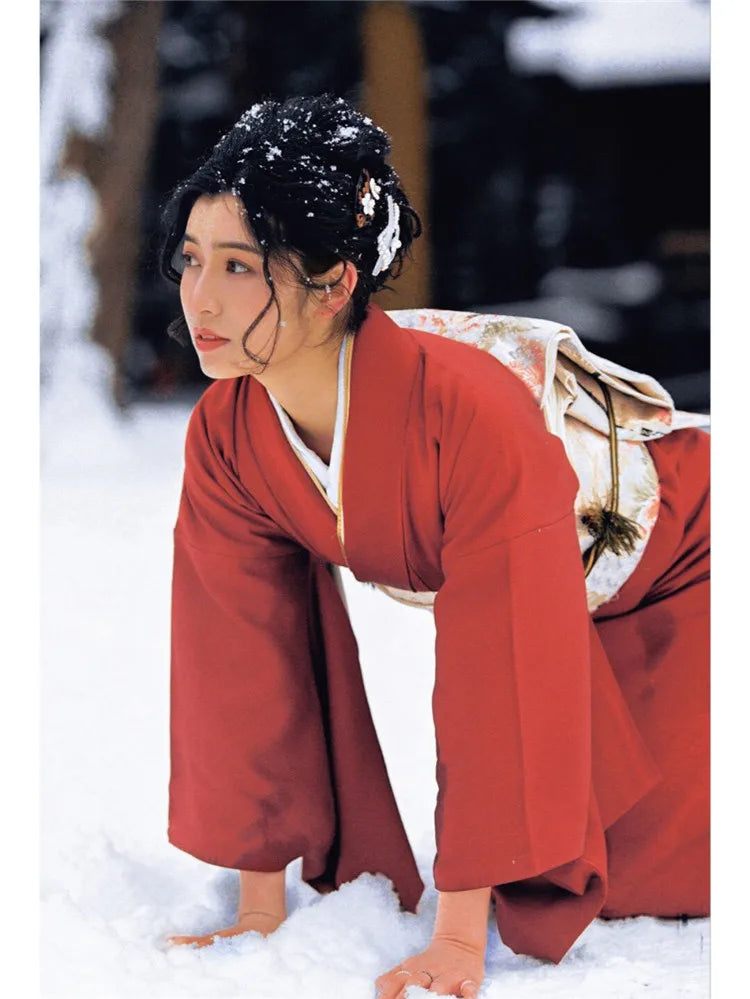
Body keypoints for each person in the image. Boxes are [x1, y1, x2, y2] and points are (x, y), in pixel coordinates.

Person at [160, 94, 709, 998]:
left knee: (656, 874)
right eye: (189, 259)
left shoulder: (466, 409)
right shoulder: (228, 430)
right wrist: (260, 902)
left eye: (237, 266)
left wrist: (457, 940)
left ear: (336, 281)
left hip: (691, 553)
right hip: (572, 592)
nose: (199, 297)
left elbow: (501, 667)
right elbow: (240, 663)